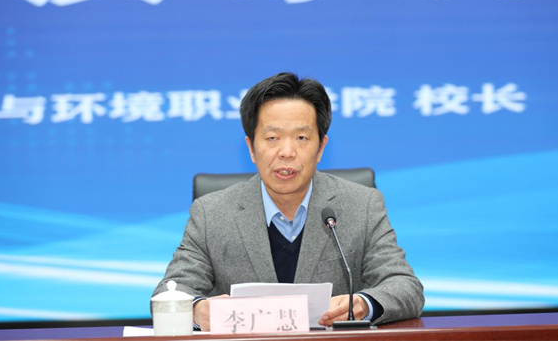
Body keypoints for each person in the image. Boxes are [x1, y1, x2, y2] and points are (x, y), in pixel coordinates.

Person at [152, 72, 424, 330]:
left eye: (301, 138)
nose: (287, 152)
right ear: (251, 148)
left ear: (321, 147)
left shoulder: (361, 205)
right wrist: (199, 310)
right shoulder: (211, 213)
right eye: (272, 138)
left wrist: (363, 304)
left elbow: (405, 287)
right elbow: (169, 292)